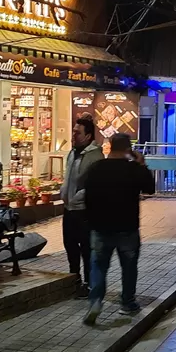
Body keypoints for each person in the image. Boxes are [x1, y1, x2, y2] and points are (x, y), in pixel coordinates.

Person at [83, 133, 156, 324]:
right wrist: (141, 163)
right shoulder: (132, 169)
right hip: (127, 227)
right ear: (127, 148)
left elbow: (87, 196)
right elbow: (150, 189)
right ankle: (127, 302)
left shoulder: (96, 168)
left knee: (98, 266)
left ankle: (96, 301)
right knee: (129, 267)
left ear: (109, 146)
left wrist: (91, 221)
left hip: (100, 227)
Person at [61, 116, 104, 298]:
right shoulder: (73, 153)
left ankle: (88, 283)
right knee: (70, 245)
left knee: (86, 248)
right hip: (69, 207)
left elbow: (96, 185)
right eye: (73, 132)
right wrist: (63, 192)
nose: (74, 135)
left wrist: (81, 196)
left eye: (77, 133)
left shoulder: (95, 156)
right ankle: (74, 278)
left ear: (87, 136)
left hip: (84, 210)